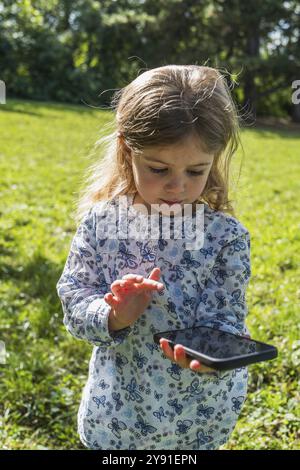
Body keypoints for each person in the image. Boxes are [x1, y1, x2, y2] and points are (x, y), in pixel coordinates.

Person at [56, 64, 251, 450]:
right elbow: (74, 298)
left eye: (196, 171)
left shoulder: (226, 238)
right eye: (159, 169)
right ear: (128, 148)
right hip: (119, 411)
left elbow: (226, 317)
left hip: (197, 413)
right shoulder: (102, 224)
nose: (177, 186)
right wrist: (113, 315)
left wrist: (215, 354)